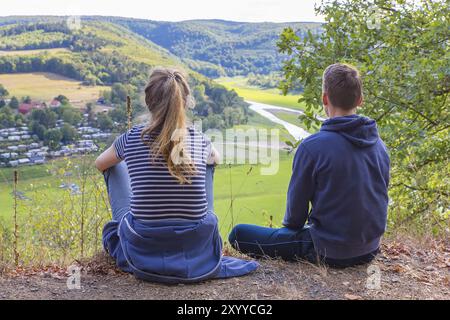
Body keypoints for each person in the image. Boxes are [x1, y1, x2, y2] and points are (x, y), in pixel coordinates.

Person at [95, 68, 258, 283]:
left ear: (148, 101)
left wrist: (139, 163)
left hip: (144, 244)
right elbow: (215, 159)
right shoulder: (199, 139)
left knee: (114, 166)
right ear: (185, 102)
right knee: (208, 165)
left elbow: (100, 163)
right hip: (195, 245)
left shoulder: (132, 137)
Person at [229, 63, 390, 268]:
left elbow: (294, 220)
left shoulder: (312, 147)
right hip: (370, 249)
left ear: (324, 99)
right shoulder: (379, 145)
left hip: (327, 251)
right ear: (360, 100)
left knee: (238, 234)